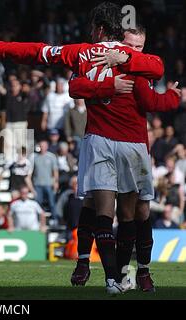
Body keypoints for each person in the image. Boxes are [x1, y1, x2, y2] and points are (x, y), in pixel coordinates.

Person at [0, 2, 175, 293]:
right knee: (127, 212)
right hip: (132, 145)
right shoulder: (135, 56)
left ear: (100, 29)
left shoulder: (82, 52)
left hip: (100, 141)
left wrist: (0, 47)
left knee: (104, 207)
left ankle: (114, 275)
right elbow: (157, 67)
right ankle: (116, 273)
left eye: (93, 27)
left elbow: (40, 52)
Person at [68, 24, 181, 292]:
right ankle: (99, 267)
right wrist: (174, 98)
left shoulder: (142, 68)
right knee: (101, 205)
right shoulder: (116, 68)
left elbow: (152, 92)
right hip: (112, 143)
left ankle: (134, 272)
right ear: (118, 45)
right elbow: (153, 103)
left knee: (132, 210)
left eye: (139, 47)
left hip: (131, 145)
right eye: (129, 46)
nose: (133, 52)